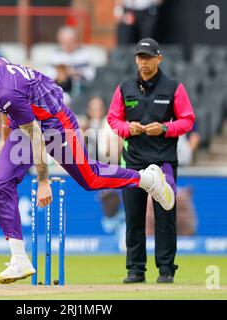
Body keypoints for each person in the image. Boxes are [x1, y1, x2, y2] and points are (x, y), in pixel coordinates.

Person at [0, 35, 175, 284]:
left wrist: (43, 181)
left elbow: (36, 134)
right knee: (0, 183)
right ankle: (19, 259)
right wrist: (4, 135)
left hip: (53, 122)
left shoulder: (7, 88)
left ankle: (147, 179)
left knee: (90, 178)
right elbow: (3, 107)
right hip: (26, 123)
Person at [107, 38, 196, 284]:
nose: (143, 62)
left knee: (165, 217)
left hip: (164, 162)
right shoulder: (124, 88)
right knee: (134, 218)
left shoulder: (174, 87)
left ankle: (166, 270)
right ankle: (135, 270)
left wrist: (165, 129)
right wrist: (128, 128)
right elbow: (113, 119)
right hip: (133, 162)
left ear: (159, 58)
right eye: (140, 57)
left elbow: (188, 120)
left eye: (148, 57)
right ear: (135, 59)